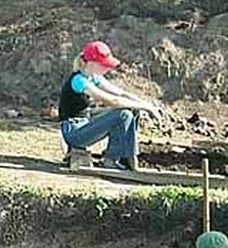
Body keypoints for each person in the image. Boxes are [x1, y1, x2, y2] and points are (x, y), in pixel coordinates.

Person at [58, 40, 162, 171]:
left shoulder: (93, 77)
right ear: (92, 63)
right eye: (104, 65)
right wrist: (147, 108)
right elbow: (112, 101)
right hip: (74, 132)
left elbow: (121, 94)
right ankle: (110, 159)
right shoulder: (79, 81)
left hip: (85, 122)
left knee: (132, 111)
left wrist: (146, 104)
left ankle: (127, 158)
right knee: (122, 114)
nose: (108, 68)